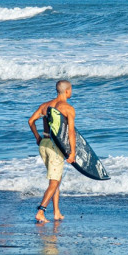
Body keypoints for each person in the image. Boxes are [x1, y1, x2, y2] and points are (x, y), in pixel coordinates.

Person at [28, 80, 76, 223]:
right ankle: (41, 211)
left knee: (56, 180)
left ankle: (56, 212)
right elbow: (71, 132)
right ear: (67, 91)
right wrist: (72, 152)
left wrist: (37, 137)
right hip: (55, 147)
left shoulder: (45, 106)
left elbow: (31, 121)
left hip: (44, 144)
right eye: (71, 89)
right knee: (54, 182)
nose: (71, 92)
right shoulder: (67, 108)